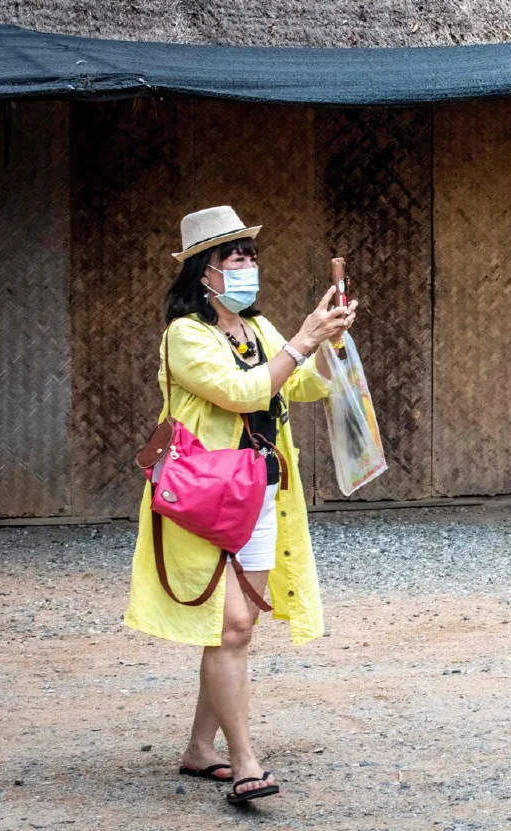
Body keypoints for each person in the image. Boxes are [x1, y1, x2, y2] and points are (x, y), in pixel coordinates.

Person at [124, 206, 357, 805]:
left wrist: (328, 341)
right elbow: (244, 391)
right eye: (235, 257)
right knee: (229, 626)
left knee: (237, 626)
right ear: (205, 272)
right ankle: (245, 761)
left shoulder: (256, 329)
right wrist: (303, 340)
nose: (248, 265)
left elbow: (300, 384)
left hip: (261, 490)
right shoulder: (186, 336)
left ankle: (201, 749)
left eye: (250, 255)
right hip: (209, 495)